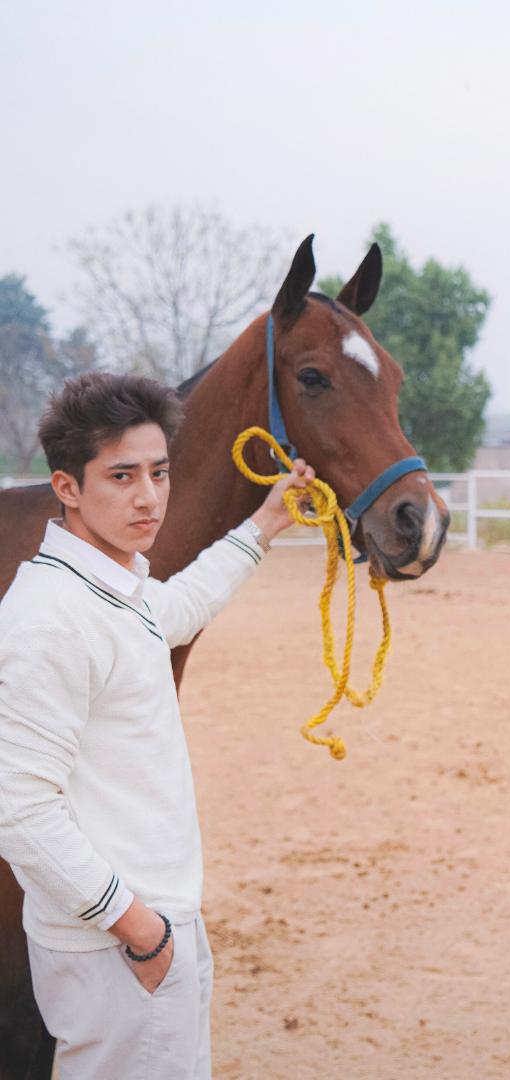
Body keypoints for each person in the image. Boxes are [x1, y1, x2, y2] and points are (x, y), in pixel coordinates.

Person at [0, 372, 314, 1079]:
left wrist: (264, 522)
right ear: (68, 487)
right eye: (121, 476)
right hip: (117, 941)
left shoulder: (116, 593)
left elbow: (177, 609)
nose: (148, 496)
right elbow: (18, 809)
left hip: (150, 926)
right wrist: (138, 929)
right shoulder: (47, 618)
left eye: (159, 471)